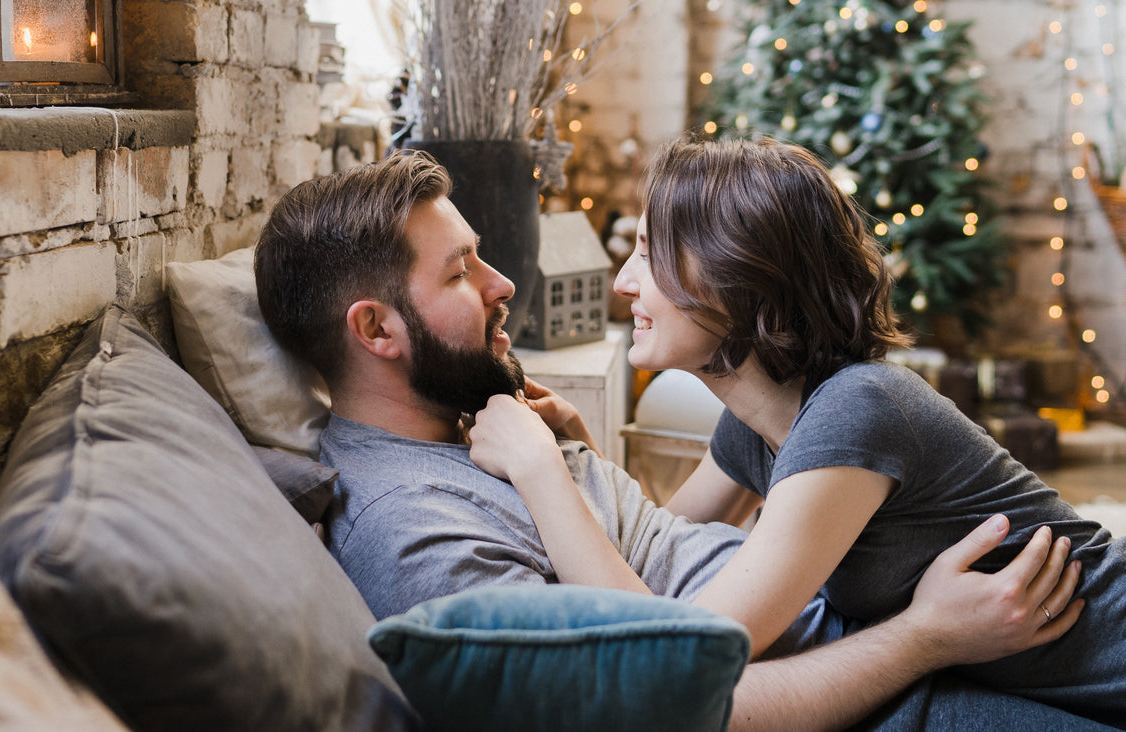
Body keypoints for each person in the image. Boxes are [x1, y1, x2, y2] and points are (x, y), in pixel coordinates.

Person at [254, 149, 1099, 732]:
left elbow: (655, 546)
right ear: (377, 331)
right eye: (460, 271)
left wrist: (576, 459)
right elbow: (669, 690)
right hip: (890, 682)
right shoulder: (414, 528)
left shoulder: (484, 425)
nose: (506, 284)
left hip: (1010, 636)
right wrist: (924, 637)